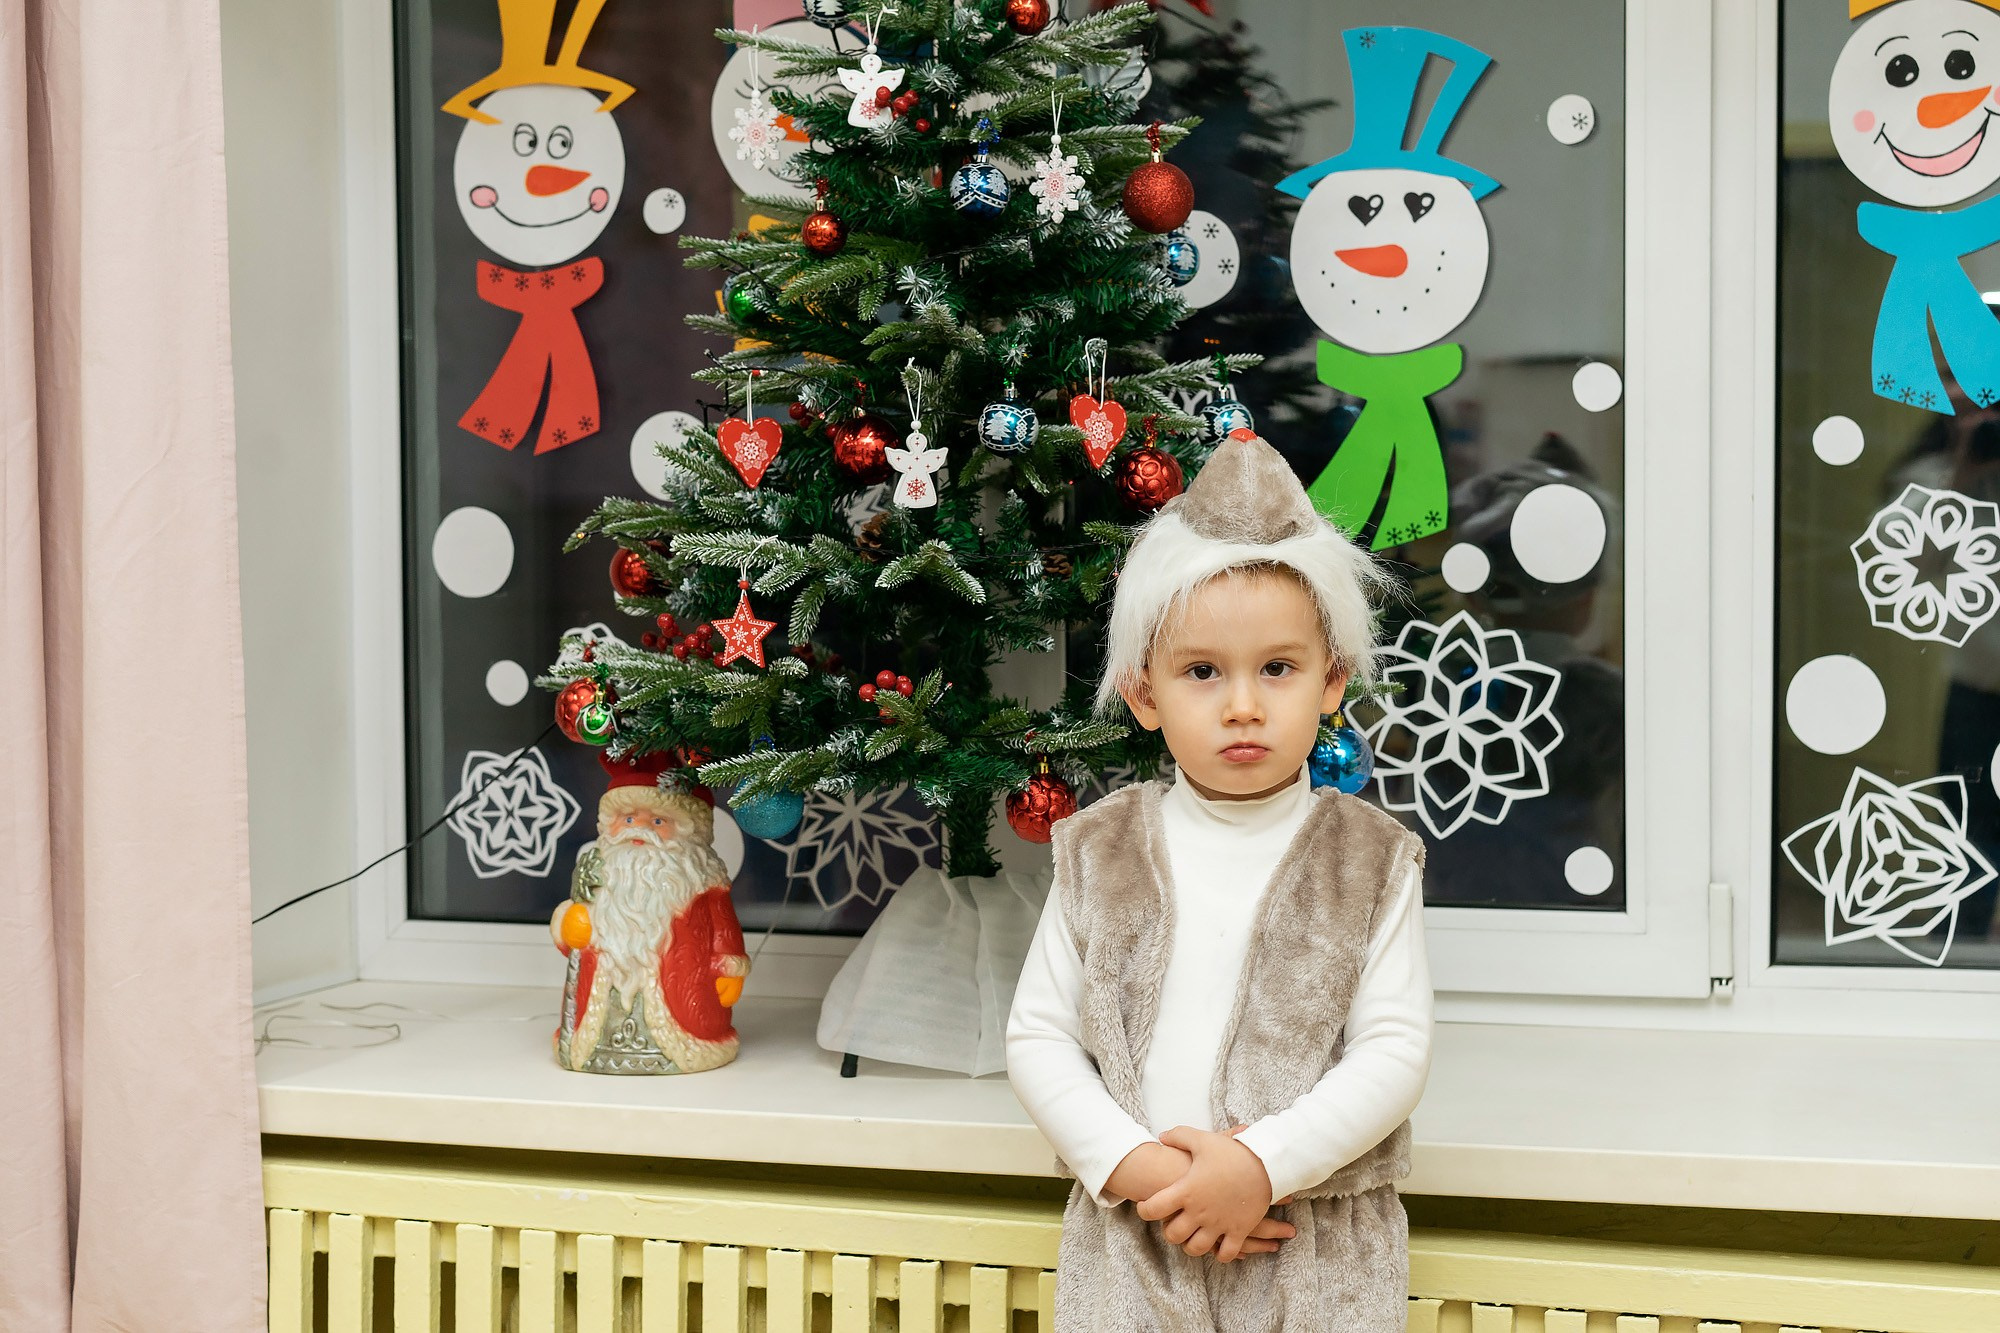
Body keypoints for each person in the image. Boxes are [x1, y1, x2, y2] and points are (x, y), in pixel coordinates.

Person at [1006, 431, 1433, 1330]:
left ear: (1331, 680)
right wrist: (1139, 1167)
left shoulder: (1372, 858)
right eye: (1203, 672)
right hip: (1137, 1228)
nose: (1243, 703)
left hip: (1309, 1235)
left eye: (1277, 668)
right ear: (1144, 693)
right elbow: (1039, 1034)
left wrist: (1260, 1165)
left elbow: (1393, 1051)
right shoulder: (1099, 849)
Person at [549, 750, 750, 1074]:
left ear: (688, 831)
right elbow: (576, 934)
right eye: (628, 819)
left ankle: (681, 1047)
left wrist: (730, 968)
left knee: (689, 1024)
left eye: (658, 821)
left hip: (687, 997)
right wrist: (569, 925)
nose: (638, 829)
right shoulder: (599, 874)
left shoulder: (702, 882)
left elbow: (723, 929)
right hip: (596, 1006)